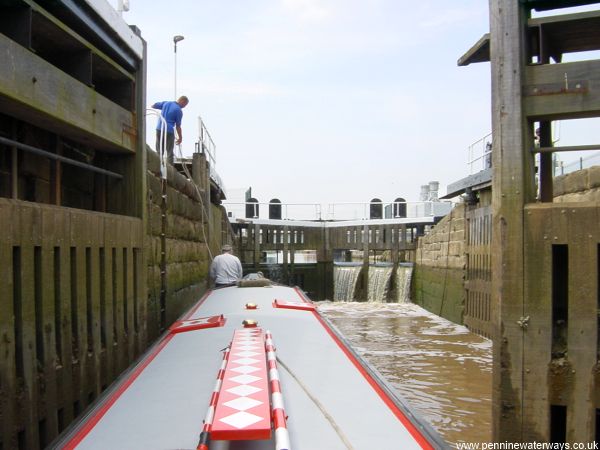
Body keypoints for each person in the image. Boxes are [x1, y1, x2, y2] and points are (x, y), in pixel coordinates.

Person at [152, 96, 189, 165]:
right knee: (169, 152)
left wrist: (163, 109)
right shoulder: (178, 110)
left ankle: (157, 165)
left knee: (159, 150)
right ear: (182, 101)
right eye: (185, 105)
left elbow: (154, 105)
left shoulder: (166, 103)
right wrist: (180, 137)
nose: (184, 107)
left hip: (159, 128)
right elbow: (178, 126)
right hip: (168, 131)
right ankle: (169, 169)